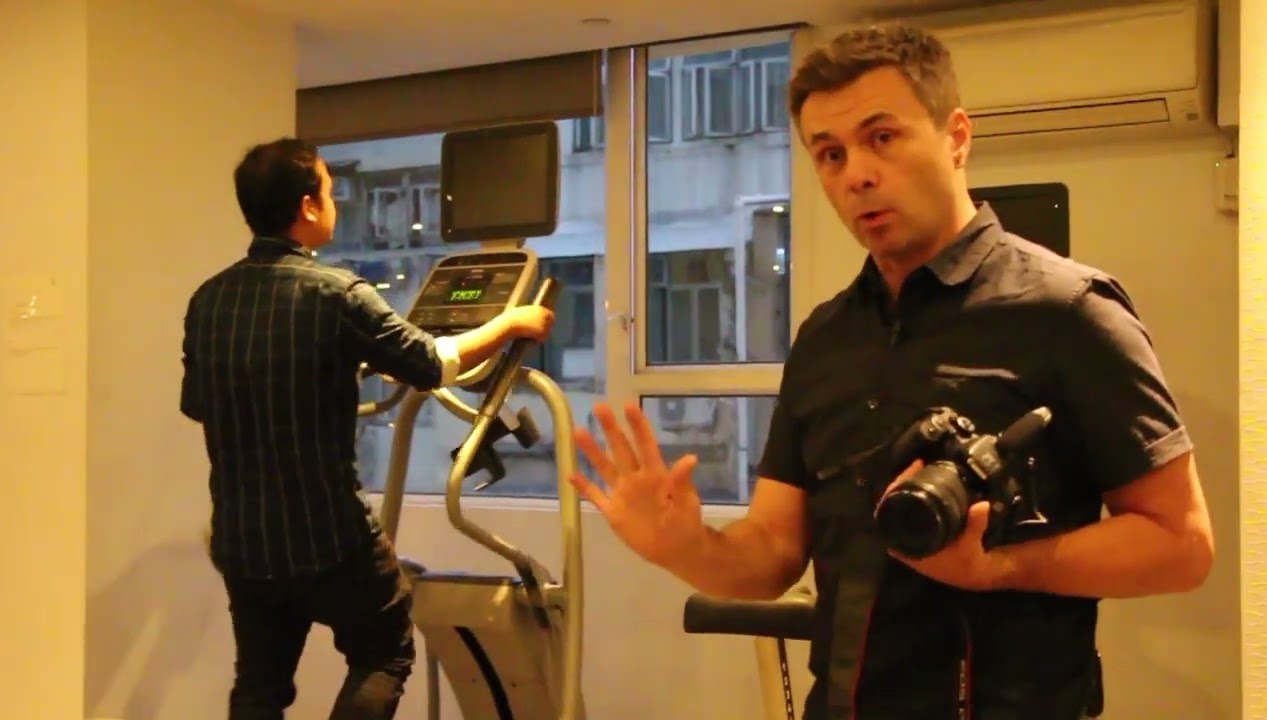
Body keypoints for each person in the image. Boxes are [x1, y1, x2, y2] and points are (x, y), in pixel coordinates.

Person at [569, 24, 1214, 720]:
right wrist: (684, 547)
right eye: (830, 153)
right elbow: (771, 553)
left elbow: (1181, 544)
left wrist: (1000, 567)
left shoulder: (1070, 311)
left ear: (956, 137)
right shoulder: (825, 337)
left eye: (882, 137)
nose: (856, 174)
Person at [180, 137, 555, 720]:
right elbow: (433, 362)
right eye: (329, 192)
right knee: (384, 651)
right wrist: (512, 323)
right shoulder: (335, 293)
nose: (334, 203)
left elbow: (200, 404)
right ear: (308, 206)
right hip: (330, 538)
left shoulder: (209, 301)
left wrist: (332, 368)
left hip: (245, 543)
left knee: (259, 688)